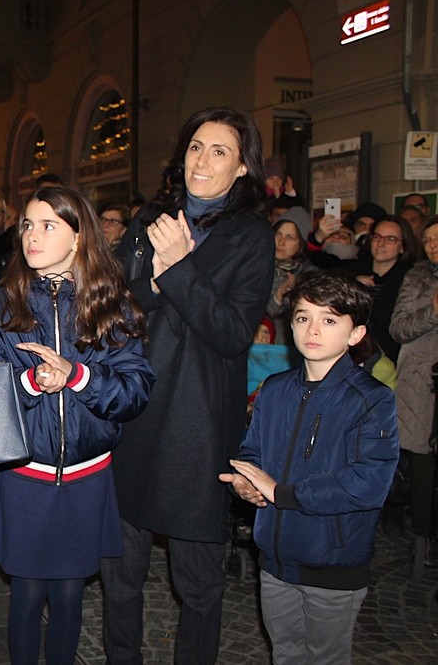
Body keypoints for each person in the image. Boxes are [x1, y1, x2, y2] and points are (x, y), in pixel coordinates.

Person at [103, 106, 275, 664]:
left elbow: (230, 333)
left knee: (198, 585)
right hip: (134, 411)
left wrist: (176, 267)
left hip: (197, 425)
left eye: (220, 151)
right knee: (120, 573)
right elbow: (119, 306)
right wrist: (157, 277)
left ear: (243, 167)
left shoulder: (252, 237)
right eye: (196, 146)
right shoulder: (152, 218)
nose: (202, 160)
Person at [0, 185, 154, 665]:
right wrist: (34, 382)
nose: (32, 236)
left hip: (86, 475)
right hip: (27, 473)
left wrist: (77, 376)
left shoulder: (111, 302)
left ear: (78, 237)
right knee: (27, 594)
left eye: (48, 225)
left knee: (71, 595)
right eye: (28, 225)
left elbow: (135, 391)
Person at [220, 271, 398, 664]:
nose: (312, 330)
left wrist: (280, 493)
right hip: (275, 558)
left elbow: (368, 483)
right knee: (284, 653)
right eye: (303, 318)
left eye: (329, 320)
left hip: (332, 560)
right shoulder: (276, 389)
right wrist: (246, 484)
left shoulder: (371, 400)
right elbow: (253, 453)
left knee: (324, 658)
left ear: (356, 334)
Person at [390, 215, 438, 571]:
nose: (434, 245)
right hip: (422, 383)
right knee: (422, 464)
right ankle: (422, 538)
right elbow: (398, 328)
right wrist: (433, 312)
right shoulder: (417, 277)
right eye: (430, 240)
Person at [356, 215, 418, 363]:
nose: (381, 244)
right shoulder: (353, 270)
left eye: (390, 239)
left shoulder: (412, 279)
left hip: (391, 359)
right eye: (377, 237)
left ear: (403, 246)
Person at [266, 207, 316, 345]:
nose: (281, 243)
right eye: (278, 235)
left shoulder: (309, 275)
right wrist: (278, 296)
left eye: (290, 237)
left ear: (300, 243)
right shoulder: (258, 267)